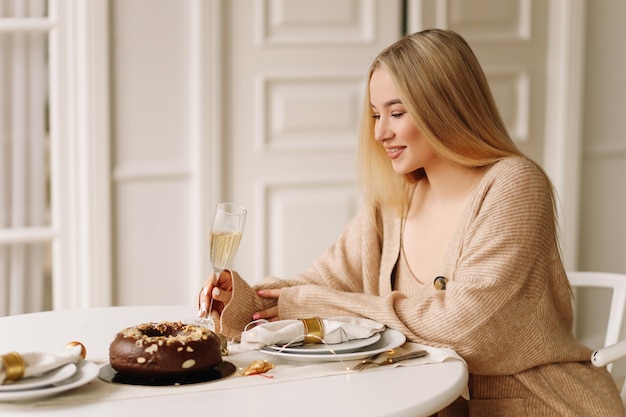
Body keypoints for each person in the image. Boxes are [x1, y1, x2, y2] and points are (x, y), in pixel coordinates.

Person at [198, 29, 624, 416]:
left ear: (447, 107)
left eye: (397, 113)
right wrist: (248, 301)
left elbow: (462, 328)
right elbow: (322, 284)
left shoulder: (514, 185)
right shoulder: (393, 202)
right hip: (420, 404)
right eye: (374, 115)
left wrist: (307, 305)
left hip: (536, 405)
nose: (381, 132)